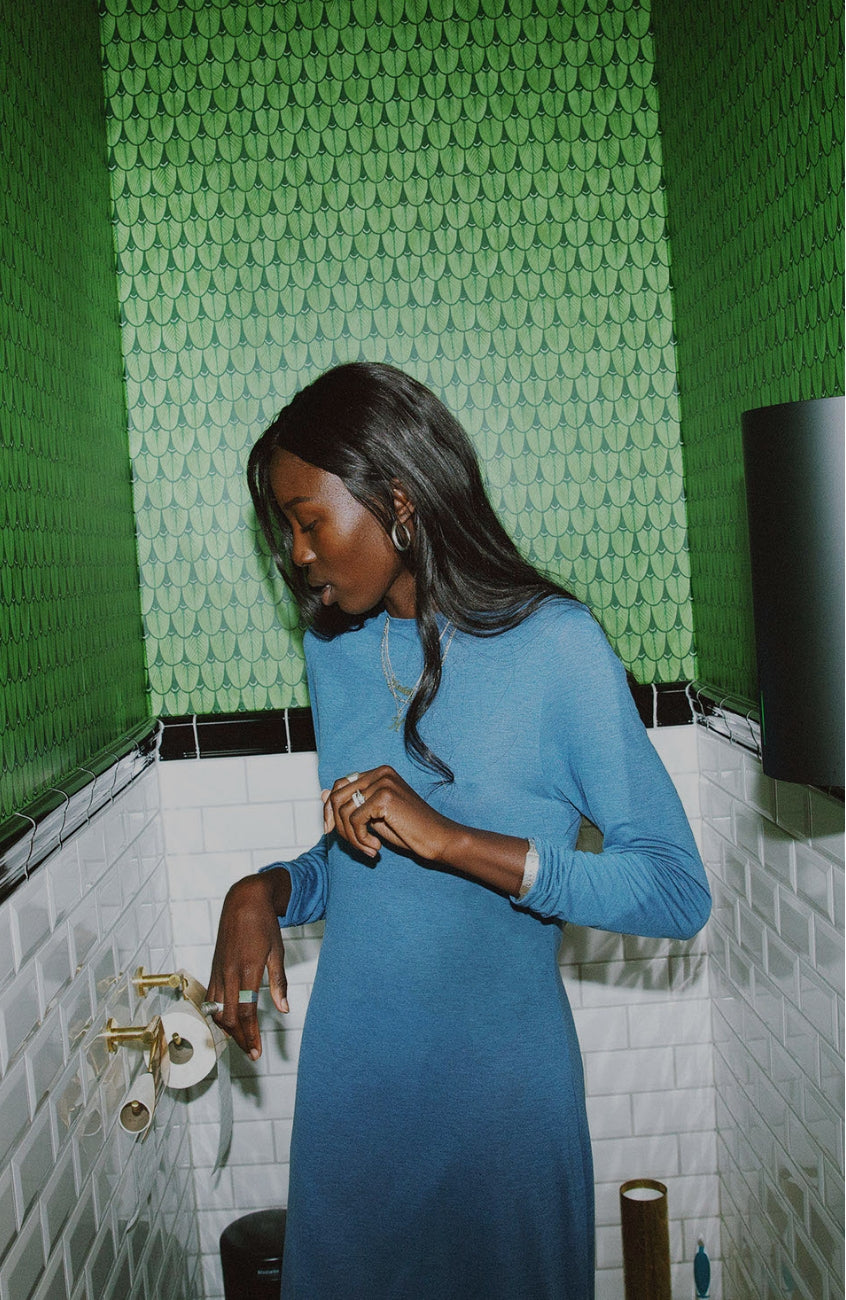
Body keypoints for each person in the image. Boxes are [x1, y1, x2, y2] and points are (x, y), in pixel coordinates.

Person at [206, 361, 711, 1300]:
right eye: (285, 527)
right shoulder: (336, 649)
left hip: (504, 1112)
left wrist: (455, 840)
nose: (297, 553)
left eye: (309, 520)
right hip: (354, 1099)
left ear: (397, 500)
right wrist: (269, 889)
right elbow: (360, 854)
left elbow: (676, 891)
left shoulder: (555, 645)